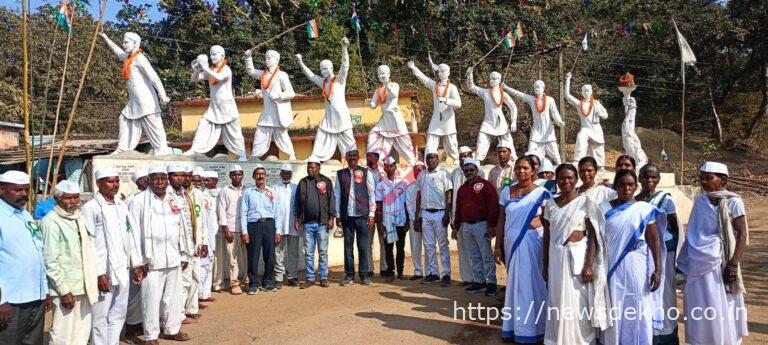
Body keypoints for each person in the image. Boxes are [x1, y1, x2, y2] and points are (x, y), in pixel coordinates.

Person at [585, 169, 665, 345]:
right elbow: (593, 239)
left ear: (636, 187)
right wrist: (588, 265)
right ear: (615, 187)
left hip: (636, 265)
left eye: (630, 185)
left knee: (637, 303)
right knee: (614, 306)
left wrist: (658, 270)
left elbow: (654, 240)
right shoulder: (603, 207)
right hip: (610, 265)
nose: (626, 188)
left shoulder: (643, 209)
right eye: (622, 185)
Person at [678, 162, 748, 345]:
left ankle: (726, 339)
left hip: (721, 263)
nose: (704, 182)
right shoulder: (700, 202)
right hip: (698, 262)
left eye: (709, 178)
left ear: (723, 180)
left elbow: (742, 234)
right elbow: (692, 234)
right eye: (702, 178)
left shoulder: (733, 201)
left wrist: (733, 264)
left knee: (723, 302)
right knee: (700, 304)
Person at [542, 164, 604, 344]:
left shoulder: (585, 202)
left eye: (570, 178)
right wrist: (545, 264)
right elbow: (547, 237)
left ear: (576, 179)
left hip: (578, 257)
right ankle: (558, 339)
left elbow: (592, 236)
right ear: (556, 181)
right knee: (557, 299)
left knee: (579, 301)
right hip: (556, 258)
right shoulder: (551, 204)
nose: (566, 181)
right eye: (561, 178)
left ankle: (582, 340)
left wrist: (589, 265)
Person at [82, 168, 145, 345]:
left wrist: (136, 263)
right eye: (110, 181)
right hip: (104, 270)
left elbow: (130, 234)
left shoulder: (121, 205)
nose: (115, 185)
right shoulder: (91, 208)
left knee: (118, 312)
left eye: (116, 181)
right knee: (100, 314)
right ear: (98, 183)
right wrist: (98, 272)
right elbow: (89, 244)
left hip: (122, 268)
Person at [128, 165, 190, 343]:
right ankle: (150, 335)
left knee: (173, 297)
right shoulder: (138, 201)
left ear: (167, 180)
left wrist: (184, 254)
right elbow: (133, 233)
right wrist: (138, 261)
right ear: (149, 180)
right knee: (151, 299)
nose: (160, 182)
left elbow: (182, 228)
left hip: (173, 256)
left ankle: (172, 329)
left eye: (163, 178)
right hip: (150, 261)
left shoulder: (174, 199)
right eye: (155, 178)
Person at [494, 156, 552, 342]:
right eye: (518, 168)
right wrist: (498, 245)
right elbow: (501, 220)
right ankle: (516, 328)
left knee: (533, 283)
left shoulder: (542, 193)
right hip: (512, 244)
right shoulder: (506, 192)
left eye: (525, 168)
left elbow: (548, 222)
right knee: (516, 285)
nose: (521, 171)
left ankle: (537, 328)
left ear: (533, 170)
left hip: (534, 242)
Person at [41, 181, 100, 345]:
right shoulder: (51, 222)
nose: (73, 202)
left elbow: (89, 249)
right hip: (65, 288)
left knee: (82, 330)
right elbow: (50, 260)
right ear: (58, 199)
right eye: (68, 198)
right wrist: (64, 290)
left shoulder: (78, 217)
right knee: (62, 333)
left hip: (84, 284)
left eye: (76, 197)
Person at [99, 32, 172, 155]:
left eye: (126, 42)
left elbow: (154, 77)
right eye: (123, 42)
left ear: (135, 43)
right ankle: (122, 149)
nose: (123, 44)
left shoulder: (140, 58)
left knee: (154, 127)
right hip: (134, 101)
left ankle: (162, 150)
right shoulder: (128, 59)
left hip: (146, 100)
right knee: (124, 118)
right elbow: (117, 51)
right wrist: (106, 38)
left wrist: (162, 94)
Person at [0, 171, 50, 345]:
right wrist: (1, 301)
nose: (23, 194)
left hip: (35, 296)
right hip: (10, 300)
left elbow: (37, 252)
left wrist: (45, 290)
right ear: (1, 189)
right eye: (17, 190)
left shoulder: (24, 214)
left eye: (26, 190)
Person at [636, 163, 683, 344]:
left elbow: (675, 227)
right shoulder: (635, 199)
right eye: (646, 177)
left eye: (653, 177)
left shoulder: (665, 200)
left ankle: (666, 335)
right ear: (640, 178)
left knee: (665, 294)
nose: (649, 180)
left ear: (658, 180)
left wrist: (676, 254)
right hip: (642, 253)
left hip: (664, 253)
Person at [296, 38, 356, 161]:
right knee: (321, 134)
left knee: (349, 142)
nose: (323, 71)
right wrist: (300, 61)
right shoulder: (322, 82)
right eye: (322, 69)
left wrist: (344, 48)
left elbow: (345, 65)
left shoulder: (339, 80)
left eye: (326, 68)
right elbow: (311, 75)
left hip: (342, 117)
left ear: (332, 68)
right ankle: (314, 157)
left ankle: (354, 159)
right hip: (329, 118)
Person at [186, 45, 247, 160]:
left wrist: (206, 68)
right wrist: (197, 69)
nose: (211, 56)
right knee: (203, 124)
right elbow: (194, 79)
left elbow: (219, 77)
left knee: (235, 133)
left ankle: (242, 154)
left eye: (214, 54)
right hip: (214, 107)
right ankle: (195, 148)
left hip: (227, 108)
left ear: (222, 56)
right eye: (210, 54)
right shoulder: (211, 70)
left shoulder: (226, 69)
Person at [453, 158, 499, 296]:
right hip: (466, 226)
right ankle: (479, 281)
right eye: (466, 171)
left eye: (471, 170)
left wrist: (491, 225)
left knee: (486, 255)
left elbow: (493, 206)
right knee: (473, 255)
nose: (468, 172)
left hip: (482, 225)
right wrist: (456, 227)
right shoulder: (462, 189)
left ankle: (491, 282)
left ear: (477, 170)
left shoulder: (486, 185)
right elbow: (458, 209)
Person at [168, 165, 207, 324]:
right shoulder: (171, 196)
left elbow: (201, 220)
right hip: (180, 248)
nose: (185, 179)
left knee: (195, 278)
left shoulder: (193, 195)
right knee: (182, 282)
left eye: (187, 176)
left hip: (194, 243)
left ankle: (191, 308)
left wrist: (203, 241)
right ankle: (180, 314)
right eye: (181, 176)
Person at [245, 49, 297, 159]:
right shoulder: (263, 74)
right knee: (260, 134)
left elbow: (291, 93)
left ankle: (291, 156)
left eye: (270, 57)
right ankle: (254, 157)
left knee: (282, 136)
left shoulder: (282, 75)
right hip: (266, 112)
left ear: (277, 60)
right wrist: (248, 57)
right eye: (266, 57)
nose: (267, 60)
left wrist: (279, 96)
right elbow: (250, 71)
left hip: (278, 112)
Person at [406, 59, 462, 161]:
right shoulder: (434, 85)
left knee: (451, 142)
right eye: (439, 71)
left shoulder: (452, 88)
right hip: (436, 118)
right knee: (431, 140)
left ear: (448, 73)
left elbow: (458, 104)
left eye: (444, 71)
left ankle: (456, 159)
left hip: (448, 119)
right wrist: (414, 68)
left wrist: (446, 100)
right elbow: (423, 79)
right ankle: (429, 161)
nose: (441, 73)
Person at [335, 148, 375, 286]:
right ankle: (349, 275)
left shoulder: (365, 172)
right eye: (349, 155)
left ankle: (364, 275)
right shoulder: (340, 174)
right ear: (345, 157)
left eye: (354, 155)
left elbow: (371, 194)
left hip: (362, 215)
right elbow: (338, 195)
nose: (352, 158)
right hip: (347, 216)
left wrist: (371, 214)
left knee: (363, 246)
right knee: (348, 247)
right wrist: (338, 215)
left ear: (358, 157)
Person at [295, 159, 335, 289]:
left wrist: (331, 217)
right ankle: (310, 278)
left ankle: (323, 277)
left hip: (322, 224)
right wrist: (297, 219)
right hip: (307, 224)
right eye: (308, 168)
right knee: (309, 252)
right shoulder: (303, 182)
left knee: (323, 251)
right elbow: (297, 202)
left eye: (312, 167)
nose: (310, 169)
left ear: (318, 168)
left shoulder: (326, 181)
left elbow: (331, 200)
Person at [503, 80, 565, 165]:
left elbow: (555, 113)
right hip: (536, 132)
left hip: (548, 132)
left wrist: (559, 121)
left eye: (539, 86)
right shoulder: (531, 99)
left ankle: (561, 168)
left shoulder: (550, 100)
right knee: (530, 154)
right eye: (535, 87)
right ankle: (530, 171)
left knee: (556, 156)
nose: (537, 89)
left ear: (543, 88)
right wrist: (506, 87)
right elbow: (518, 94)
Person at [415, 150, 453, 287]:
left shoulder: (444, 173)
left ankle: (447, 274)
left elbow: (449, 195)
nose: (431, 160)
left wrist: (447, 213)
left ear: (438, 160)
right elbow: (418, 197)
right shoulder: (421, 175)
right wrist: (417, 215)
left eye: (433, 158)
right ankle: (433, 273)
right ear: (426, 160)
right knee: (429, 246)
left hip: (440, 213)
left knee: (443, 245)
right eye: (428, 158)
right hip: (425, 213)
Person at [241, 165, 282, 294]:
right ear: (253, 177)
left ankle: (268, 282)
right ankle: (253, 284)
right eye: (258, 174)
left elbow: (277, 213)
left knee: (270, 256)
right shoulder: (248, 192)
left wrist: (278, 231)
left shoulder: (271, 192)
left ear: (266, 176)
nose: (260, 176)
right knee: (253, 256)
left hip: (269, 225)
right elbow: (243, 213)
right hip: (253, 226)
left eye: (263, 174)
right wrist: (245, 232)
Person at [367, 65, 417, 165]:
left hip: (394, 117)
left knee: (402, 139)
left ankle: (412, 160)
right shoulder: (378, 90)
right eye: (379, 74)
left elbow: (394, 94)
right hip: (385, 118)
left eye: (383, 73)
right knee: (373, 134)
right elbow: (374, 104)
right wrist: (370, 103)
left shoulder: (394, 85)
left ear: (389, 74)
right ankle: (377, 157)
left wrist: (387, 84)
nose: (381, 75)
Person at [465, 67, 518, 161]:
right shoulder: (485, 92)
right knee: (481, 142)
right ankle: (477, 163)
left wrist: (513, 121)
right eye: (491, 78)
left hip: (500, 122)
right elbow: (471, 87)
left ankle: (514, 162)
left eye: (495, 79)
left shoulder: (504, 94)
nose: (492, 80)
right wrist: (470, 75)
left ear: (499, 80)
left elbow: (513, 107)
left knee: (509, 143)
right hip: (488, 122)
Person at [451, 146, 486, 286]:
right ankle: (467, 278)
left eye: (466, 156)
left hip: (477, 219)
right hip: (459, 218)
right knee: (463, 249)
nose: (464, 158)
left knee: (479, 250)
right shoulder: (454, 173)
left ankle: (482, 279)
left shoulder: (479, 172)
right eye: (461, 156)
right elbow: (453, 198)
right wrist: (453, 219)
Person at [214, 165, 248, 295]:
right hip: (231, 229)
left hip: (245, 229)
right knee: (232, 258)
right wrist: (226, 229)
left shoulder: (247, 189)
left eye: (239, 174)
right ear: (230, 176)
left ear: (242, 175)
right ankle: (234, 283)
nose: (236, 177)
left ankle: (247, 280)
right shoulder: (225, 190)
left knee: (247, 257)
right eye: (234, 174)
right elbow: (221, 210)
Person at [375, 157, 409, 282]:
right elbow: (378, 205)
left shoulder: (403, 183)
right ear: (384, 168)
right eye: (387, 166)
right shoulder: (380, 185)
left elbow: (406, 204)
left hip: (400, 221)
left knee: (400, 248)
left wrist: (408, 221)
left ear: (395, 167)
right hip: (387, 221)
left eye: (391, 166)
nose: (389, 168)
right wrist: (379, 223)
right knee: (389, 248)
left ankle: (400, 272)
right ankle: (390, 273)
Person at [564, 72, 608, 168]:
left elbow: (605, 115)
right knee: (581, 137)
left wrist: (601, 114)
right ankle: (578, 160)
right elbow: (567, 95)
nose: (586, 92)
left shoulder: (596, 104)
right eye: (584, 91)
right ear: (582, 92)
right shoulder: (579, 104)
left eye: (588, 90)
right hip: (585, 128)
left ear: (591, 92)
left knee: (598, 147)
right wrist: (568, 79)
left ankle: (600, 165)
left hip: (596, 128)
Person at [273, 164, 299, 288]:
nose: (286, 175)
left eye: (288, 173)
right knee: (278, 252)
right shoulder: (274, 188)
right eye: (284, 172)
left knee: (293, 253)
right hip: (279, 226)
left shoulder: (296, 188)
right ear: (280, 174)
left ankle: (292, 276)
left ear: (291, 174)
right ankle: (278, 278)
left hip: (294, 225)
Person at [199, 171, 220, 303]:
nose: (206, 183)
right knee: (202, 266)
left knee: (210, 264)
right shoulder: (202, 195)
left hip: (215, 234)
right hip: (204, 235)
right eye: (204, 180)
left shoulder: (220, 193)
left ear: (215, 181)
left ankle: (206, 293)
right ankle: (199, 295)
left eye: (209, 180)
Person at [366, 150, 388, 278]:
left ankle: (384, 267)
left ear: (377, 158)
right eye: (367, 156)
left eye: (371, 156)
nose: (368, 158)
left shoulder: (383, 173)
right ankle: (369, 268)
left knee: (383, 239)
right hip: (367, 211)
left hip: (382, 211)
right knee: (368, 241)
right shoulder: (362, 173)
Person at [406, 161, 427, 281]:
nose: (417, 172)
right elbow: (408, 204)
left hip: (427, 219)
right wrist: (414, 219)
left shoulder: (428, 184)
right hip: (413, 220)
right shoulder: (410, 187)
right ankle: (418, 271)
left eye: (420, 169)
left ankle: (430, 272)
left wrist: (422, 217)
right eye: (415, 169)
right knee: (415, 246)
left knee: (428, 246)